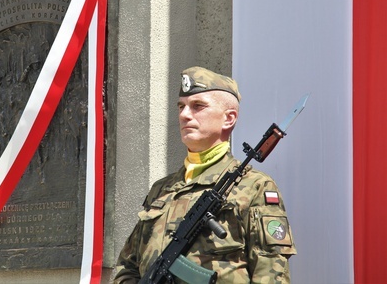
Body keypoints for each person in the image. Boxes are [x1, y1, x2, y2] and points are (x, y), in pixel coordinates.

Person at [114, 66, 296, 283]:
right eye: (181, 106)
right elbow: (128, 265)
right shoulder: (161, 189)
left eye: (197, 106)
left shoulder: (254, 187)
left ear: (228, 118)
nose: (184, 114)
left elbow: (271, 275)